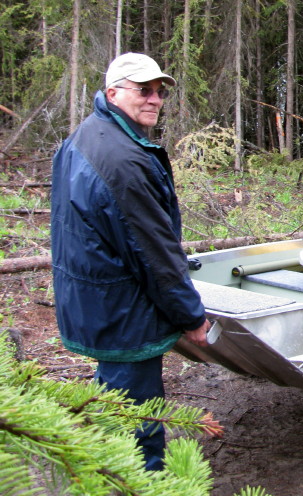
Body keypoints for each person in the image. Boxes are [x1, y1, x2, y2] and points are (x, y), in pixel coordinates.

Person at [50, 52, 212, 471]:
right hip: (123, 310)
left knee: (113, 400)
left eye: (159, 92)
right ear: (112, 92)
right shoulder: (122, 160)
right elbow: (154, 254)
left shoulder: (87, 136)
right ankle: (141, 481)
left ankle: (103, 468)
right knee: (139, 421)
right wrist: (192, 316)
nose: (154, 99)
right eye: (143, 90)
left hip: (95, 299)